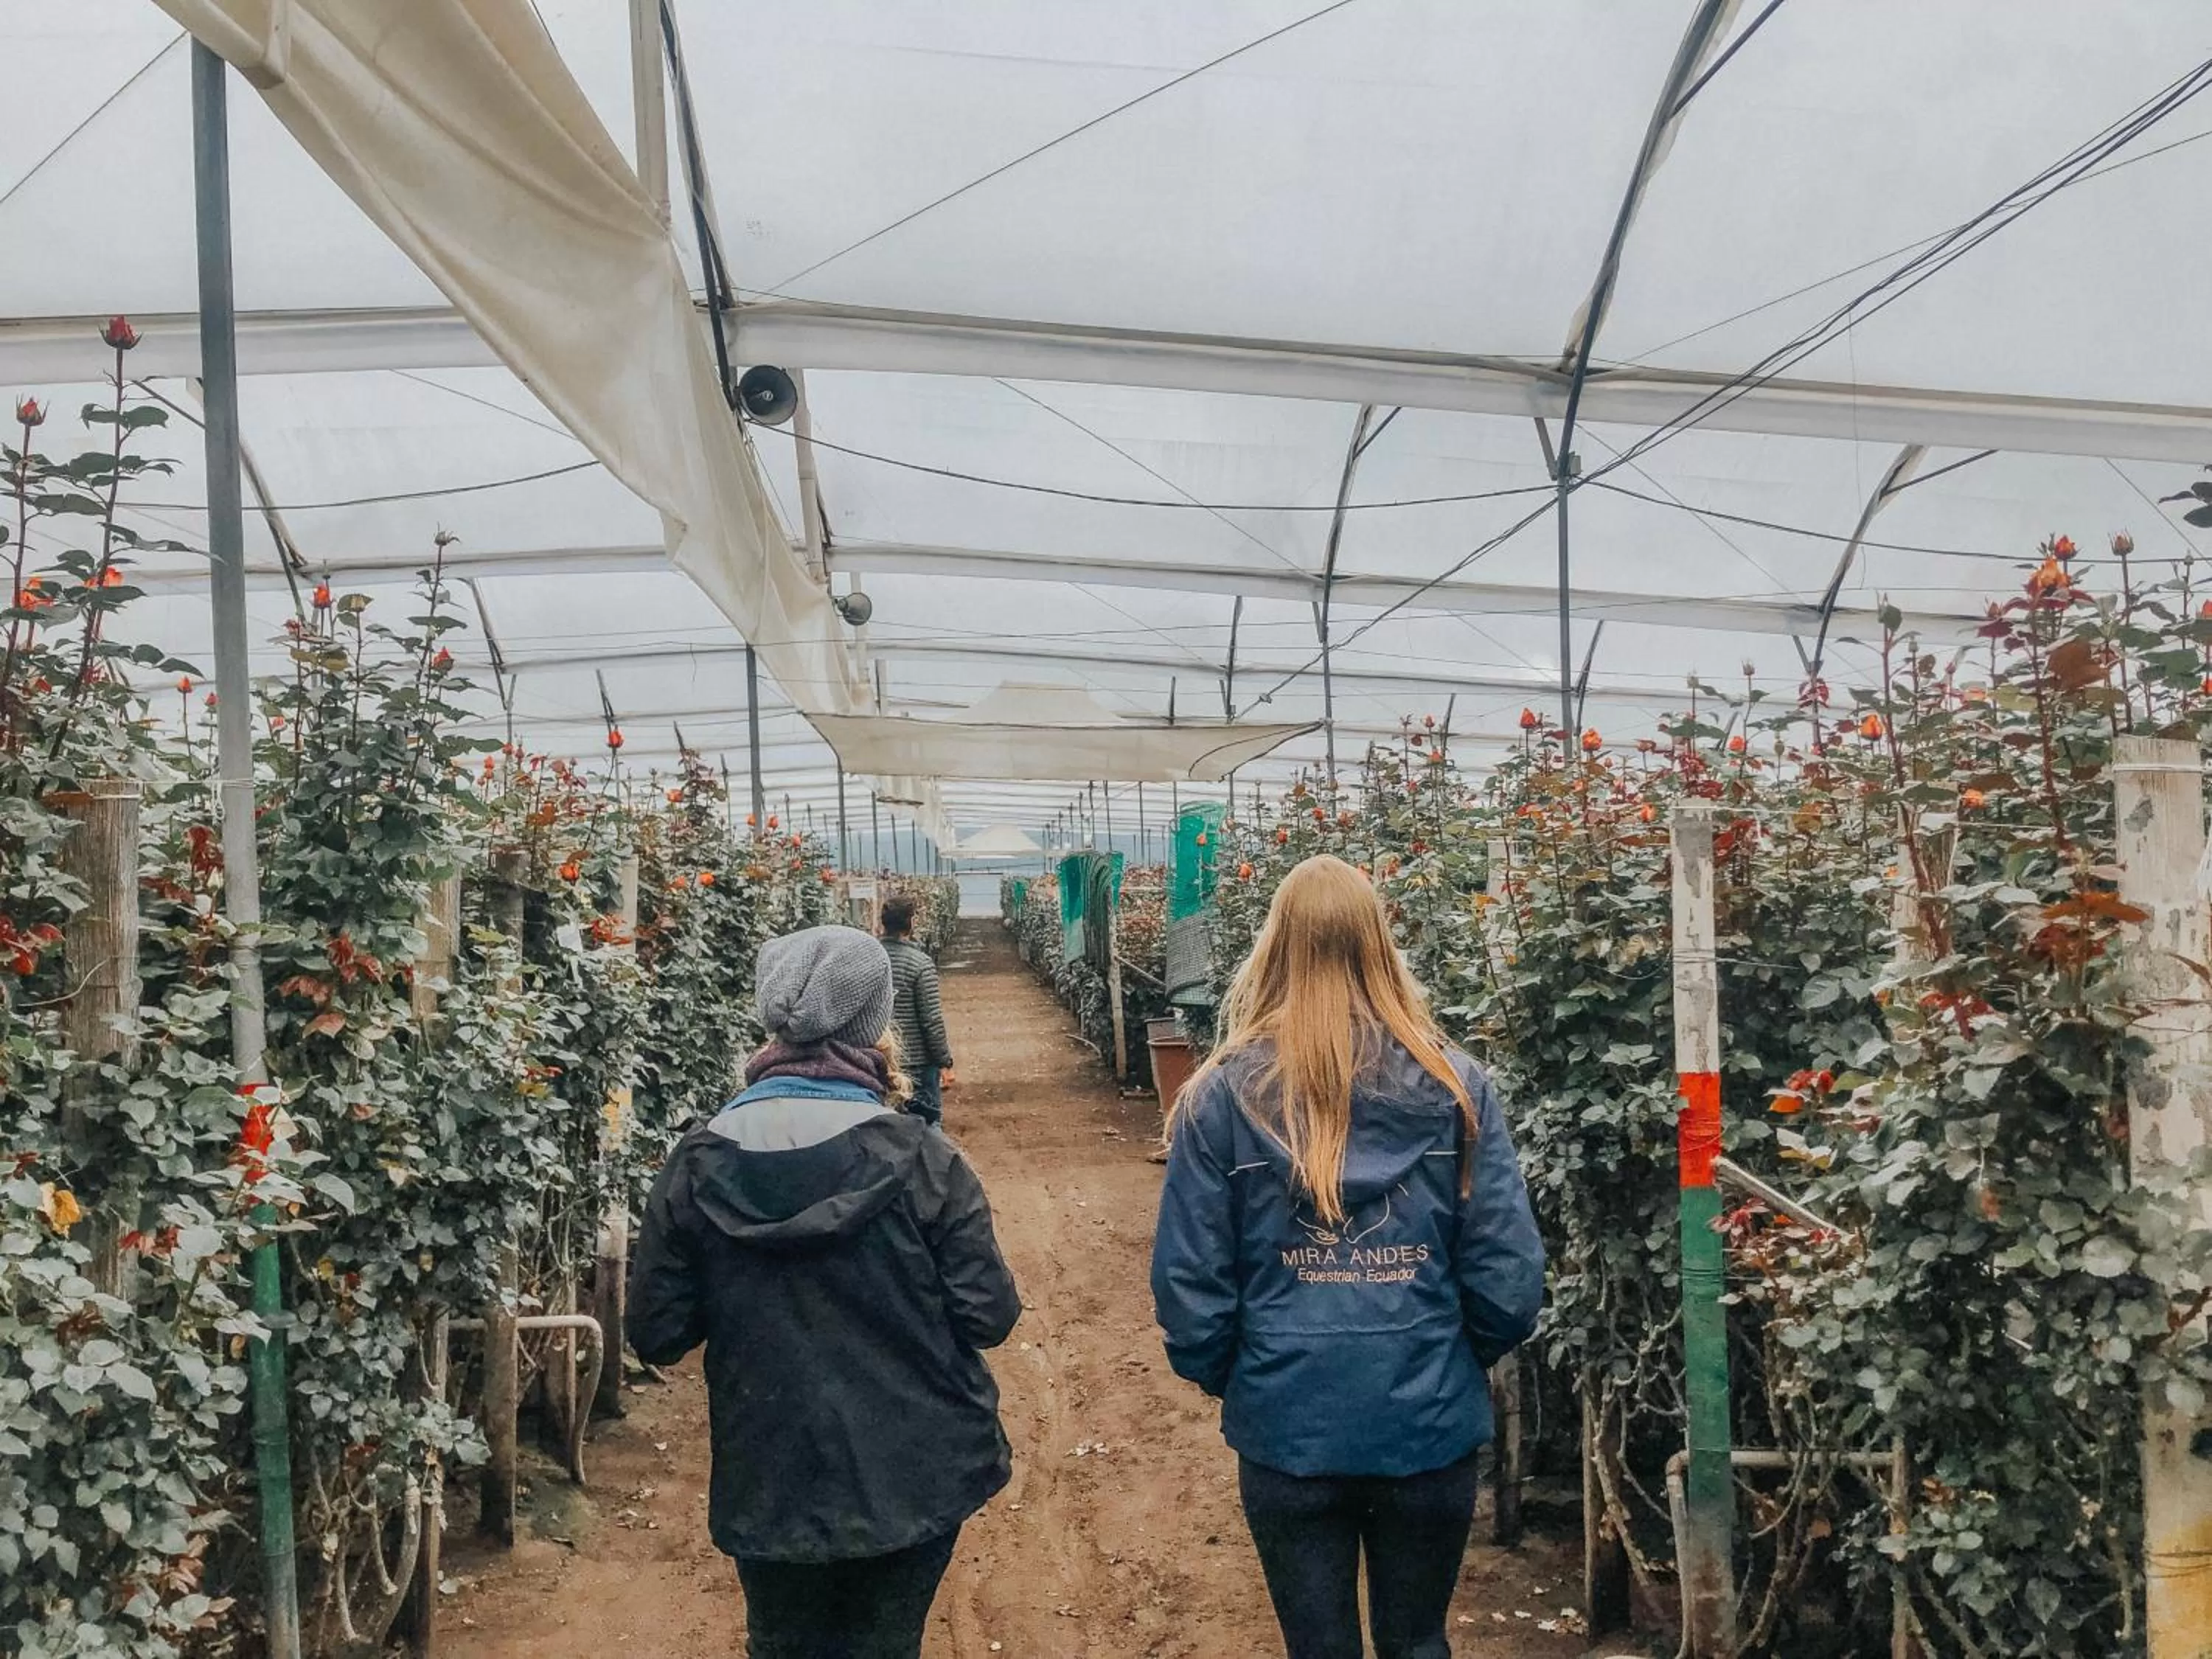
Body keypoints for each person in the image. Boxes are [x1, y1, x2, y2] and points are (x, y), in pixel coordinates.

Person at [1150, 855, 1544, 1659]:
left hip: (1289, 1427)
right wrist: (1447, 1359)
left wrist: (1250, 1372)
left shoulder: (1219, 1098)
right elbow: (1508, 1275)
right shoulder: (1458, 1088)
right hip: (1427, 1424)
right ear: (1381, 945)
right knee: (1418, 1641)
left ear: (1274, 948)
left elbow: (1190, 1284)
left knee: (1317, 1646)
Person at [629, 924, 1020, 1659]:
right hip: (914, 1474)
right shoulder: (924, 1161)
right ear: (874, 1023)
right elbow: (988, 1314)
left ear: (769, 1017)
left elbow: (657, 1330)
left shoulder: (698, 1161)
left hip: (772, 1476)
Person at [880, 896, 956, 1127]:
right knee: (926, 1125)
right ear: (911, 922)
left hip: (880, 1059)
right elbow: (931, 1020)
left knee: (886, 1127)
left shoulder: (867, 959)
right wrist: (945, 1061)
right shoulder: (919, 963)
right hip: (917, 1063)